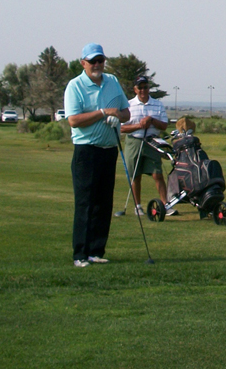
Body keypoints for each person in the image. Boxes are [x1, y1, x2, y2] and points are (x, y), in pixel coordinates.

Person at [64, 43, 130, 267]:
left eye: (100, 60)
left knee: (104, 202)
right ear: (83, 63)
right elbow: (74, 120)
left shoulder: (112, 81)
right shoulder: (75, 86)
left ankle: (96, 250)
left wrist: (117, 116)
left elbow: (126, 113)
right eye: (92, 61)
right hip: (86, 151)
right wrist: (102, 113)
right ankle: (80, 254)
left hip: (109, 149)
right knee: (85, 203)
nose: (97, 65)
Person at [122, 76, 175, 218]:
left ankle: (165, 205)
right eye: (140, 87)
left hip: (152, 142)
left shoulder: (157, 104)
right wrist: (139, 125)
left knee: (157, 174)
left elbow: (164, 125)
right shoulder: (128, 105)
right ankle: (138, 206)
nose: (143, 90)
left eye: (145, 87)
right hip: (134, 142)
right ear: (135, 89)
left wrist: (151, 120)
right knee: (135, 175)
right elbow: (122, 128)